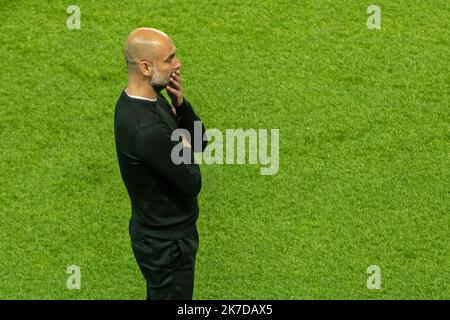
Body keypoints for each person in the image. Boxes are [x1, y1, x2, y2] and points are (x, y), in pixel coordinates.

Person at [113, 27, 207, 300]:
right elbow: (192, 182)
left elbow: (200, 143)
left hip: (160, 235)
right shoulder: (147, 129)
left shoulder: (146, 100)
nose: (178, 64)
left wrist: (182, 105)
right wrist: (185, 144)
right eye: (170, 59)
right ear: (145, 67)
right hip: (167, 246)